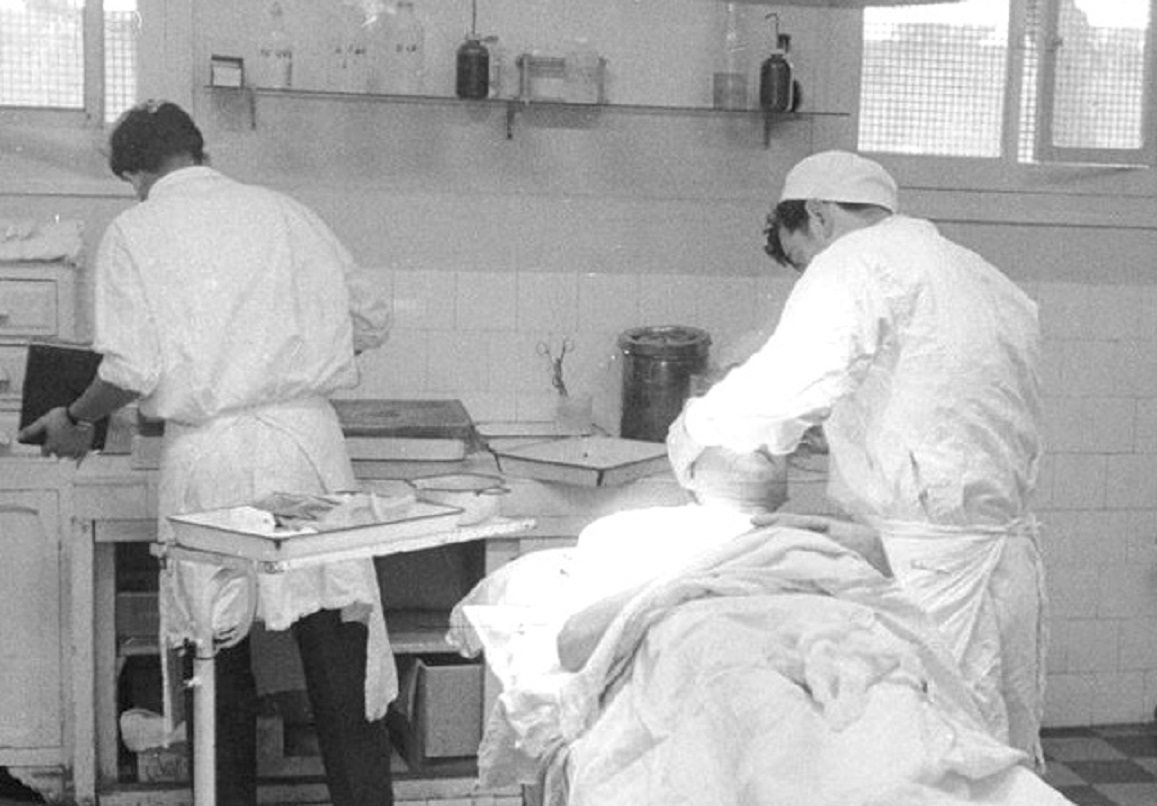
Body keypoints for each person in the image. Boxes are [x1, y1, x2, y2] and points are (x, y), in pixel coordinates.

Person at [19, 101, 395, 806]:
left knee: (216, 660)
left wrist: (72, 417)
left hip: (211, 458)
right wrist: (287, 351)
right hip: (305, 447)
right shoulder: (287, 212)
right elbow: (371, 319)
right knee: (335, 645)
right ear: (197, 150)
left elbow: (130, 369)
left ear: (133, 173)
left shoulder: (137, 229)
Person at [666, 150, 1046, 766]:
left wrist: (692, 431)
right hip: (999, 557)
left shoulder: (856, 259)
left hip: (929, 569)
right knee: (998, 753)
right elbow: (945, 400)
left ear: (817, 216)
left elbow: (787, 384)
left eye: (799, 261)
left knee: (929, 754)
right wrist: (846, 430)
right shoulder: (974, 272)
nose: (806, 275)